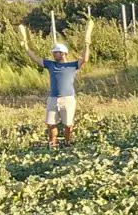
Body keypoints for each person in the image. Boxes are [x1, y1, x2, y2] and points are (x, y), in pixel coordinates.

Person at [20, 20, 93, 149]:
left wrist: (87, 44)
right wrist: (25, 47)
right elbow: (35, 58)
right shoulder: (50, 64)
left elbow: (85, 59)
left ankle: (67, 143)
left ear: (63, 53)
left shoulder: (72, 65)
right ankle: (52, 144)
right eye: (54, 52)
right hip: (53, 98)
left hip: (68, 99)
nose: (54, 54)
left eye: (56, 52)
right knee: (50, 123)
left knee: (68, 124)